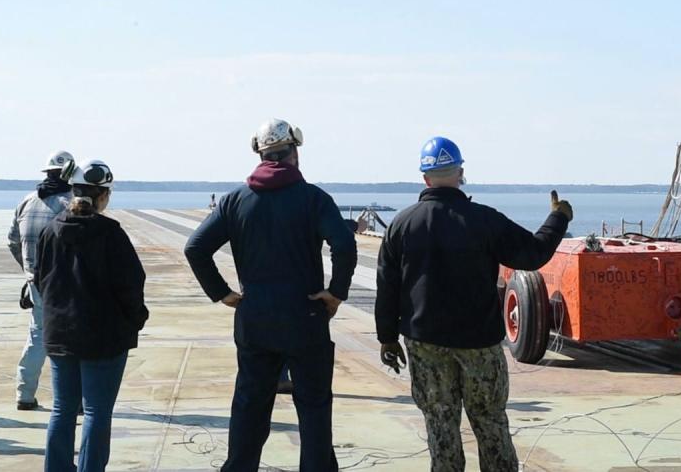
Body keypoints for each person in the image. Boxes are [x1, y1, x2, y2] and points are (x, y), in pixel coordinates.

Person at [375, 136, 572, 472]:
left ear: (425, 178)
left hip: (426, 344)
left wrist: (387, 338)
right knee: (490, 422)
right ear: (460, 173)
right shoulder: (484, 220)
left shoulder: (402, 224)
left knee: (440, 425)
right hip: (478, 343)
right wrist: (558, 218)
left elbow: (387, 287)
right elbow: (534, 254)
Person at [184, 118, 357, 472]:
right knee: (314, 407)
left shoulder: (236, 200)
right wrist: (336, 293)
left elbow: (196, 248)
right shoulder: (313, 199)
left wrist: (223, 294)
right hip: (306, 316)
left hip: (255, 317)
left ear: (260, 154)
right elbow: (344, 244)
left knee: (250, 405)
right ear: (293, 152)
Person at [35, 158, 148, 472]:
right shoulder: (111, 234)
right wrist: (136, 319)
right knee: (97, 412)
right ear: (103, 196)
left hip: (59, 332)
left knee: (62, 409)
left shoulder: (50, 231)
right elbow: (131, 284)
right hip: (103, 337)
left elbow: (41, 277)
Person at [8, 150, 74, 411]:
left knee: (37, 337)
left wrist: (28, 270)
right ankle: (76, 400)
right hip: (65, 284)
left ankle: (24, 394)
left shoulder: (26, 201)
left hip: (36, 281)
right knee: (73, 341)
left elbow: (12, 241)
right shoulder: (69, 202)